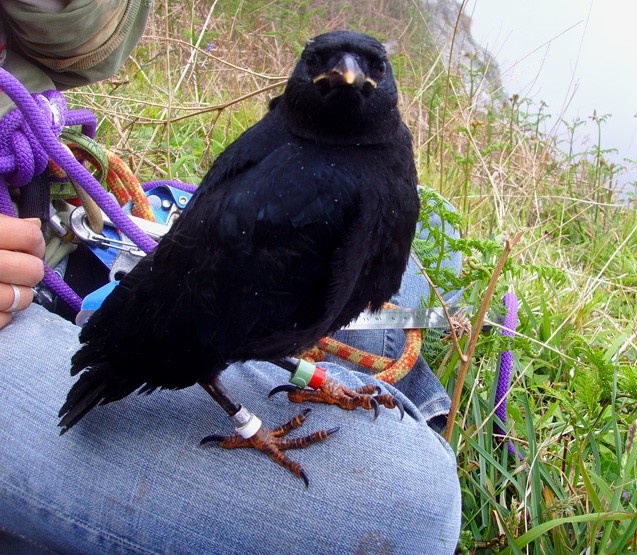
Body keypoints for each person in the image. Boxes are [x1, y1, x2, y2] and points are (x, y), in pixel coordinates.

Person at [0, 2, 462, 553]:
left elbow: (82, 38)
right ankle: (289, 419)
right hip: (143, 330)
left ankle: (351, 385)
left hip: (74, 247)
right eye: (325, 63)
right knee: (417, 507)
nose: (348, 73)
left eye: (370, 69)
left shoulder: (365, 157)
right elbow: (203, 336)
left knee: (420, 235)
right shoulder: (318, 185)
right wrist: (252, 427)